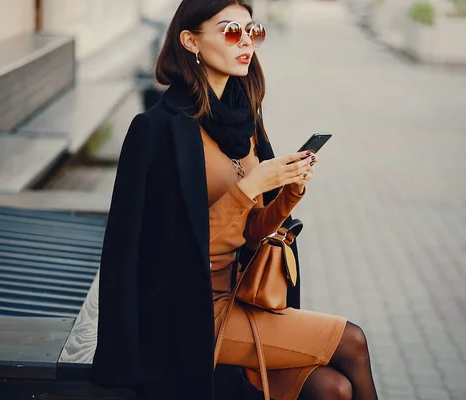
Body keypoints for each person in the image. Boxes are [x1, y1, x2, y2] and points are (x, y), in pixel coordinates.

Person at [91, 1, 379, 399]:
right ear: (190, 41)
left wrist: (288, 189)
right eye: (230, 31)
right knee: (353, 341)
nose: (246, 41)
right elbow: (168, 252)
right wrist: (250, 186)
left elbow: (252, 235)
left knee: (334, 389)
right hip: (185, 312)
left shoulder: (246, 123)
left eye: (252, 31)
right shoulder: (158, 130)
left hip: (241, 295)